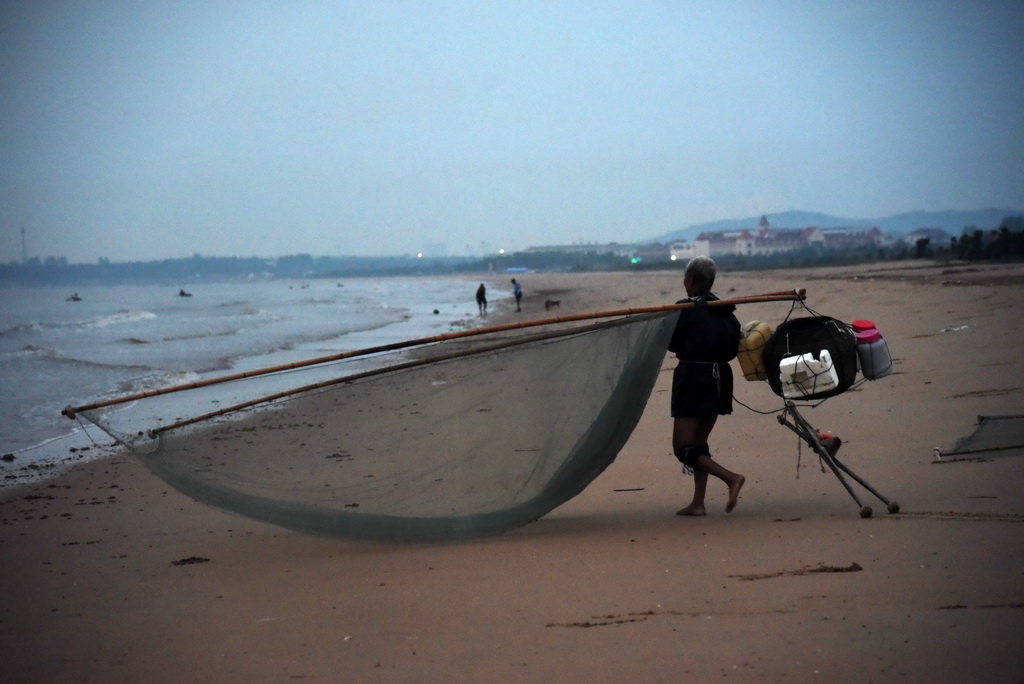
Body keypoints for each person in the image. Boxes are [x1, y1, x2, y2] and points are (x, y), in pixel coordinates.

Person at [668, 256, 745, 515]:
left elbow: (671, 343)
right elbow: (734, 347)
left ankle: (731, 478)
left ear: (689, 280)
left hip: (693, 377)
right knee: (699, 443)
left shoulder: (685, 310)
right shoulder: (726, 310)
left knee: (682, 447)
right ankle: (698, 504)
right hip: (721, 378)